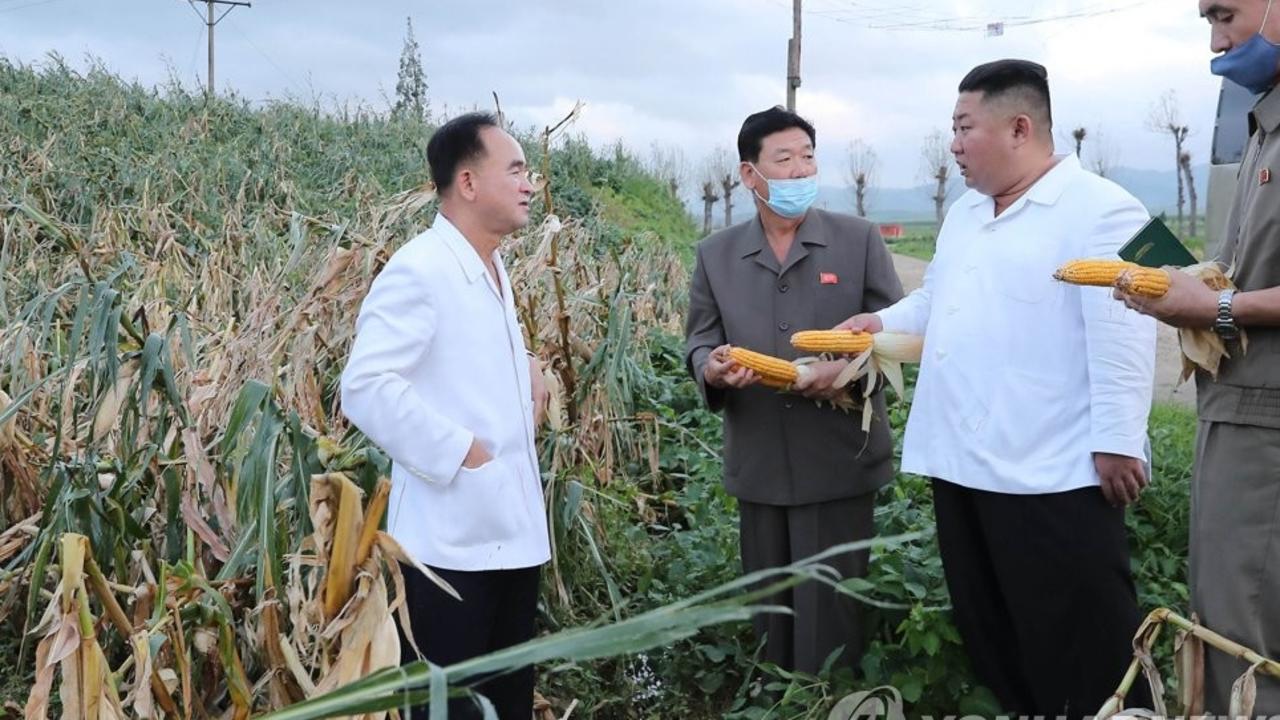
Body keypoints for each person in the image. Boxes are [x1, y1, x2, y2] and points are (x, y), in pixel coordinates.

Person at [838, 60, 1156, 718]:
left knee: (1083, 644)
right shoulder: (964, 213)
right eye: (951, 129)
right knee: (997, 634)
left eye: (963, 128)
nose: (953, 144)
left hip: (1052, 470)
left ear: (1019, 127)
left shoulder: (1103, 207)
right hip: (962, 462)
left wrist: (1120, 440)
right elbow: (936, 301)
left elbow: (1128, 333)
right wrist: (878, 322)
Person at [340, 112, 549, 719]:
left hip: (509, 538)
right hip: (448, 554)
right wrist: (465, 452)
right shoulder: (421, 267)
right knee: (449, 711)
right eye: (514, 170)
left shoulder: (491, 264)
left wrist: (526, 361)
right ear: (468, 181)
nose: (528, 184)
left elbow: (466, 354)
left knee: (504, 706)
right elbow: (367, 386)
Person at [684, 105, 903, 674]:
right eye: (784, 160)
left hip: (839, 458)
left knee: (833, 614)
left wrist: (847, 370)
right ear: (749, 174)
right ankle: (777, 695)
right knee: (771, 610)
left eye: (808, 158)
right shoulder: (716, 254)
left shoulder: (857, 241)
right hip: (759, 458)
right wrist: (712, 367)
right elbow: (700, 340)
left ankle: (831, 700)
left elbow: (896, 333)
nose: (801, 171)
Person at [1115, 1, 1280, 711]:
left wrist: (1212, 308)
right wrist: (1204, 282)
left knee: (1247, 641)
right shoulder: (1263, 126)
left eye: (1225, 14)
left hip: (1267, 424)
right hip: (1244, 408)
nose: (1215, 42)